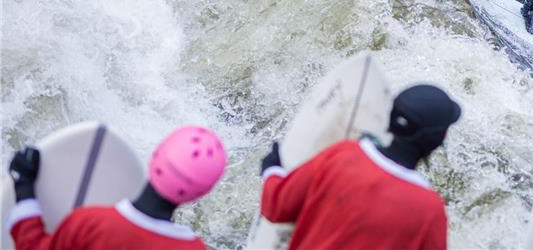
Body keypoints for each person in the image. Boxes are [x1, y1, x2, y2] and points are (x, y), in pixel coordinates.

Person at [259, 84, 461, 250]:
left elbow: (277, 207)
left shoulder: (342, 155)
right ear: (438, 139)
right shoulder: (429, 209)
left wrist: (273, 168)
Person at [7, 126, 227, 250]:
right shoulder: (195, 248)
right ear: (202, 192)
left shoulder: (92, 223)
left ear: (156, 156)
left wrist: (23, 185)